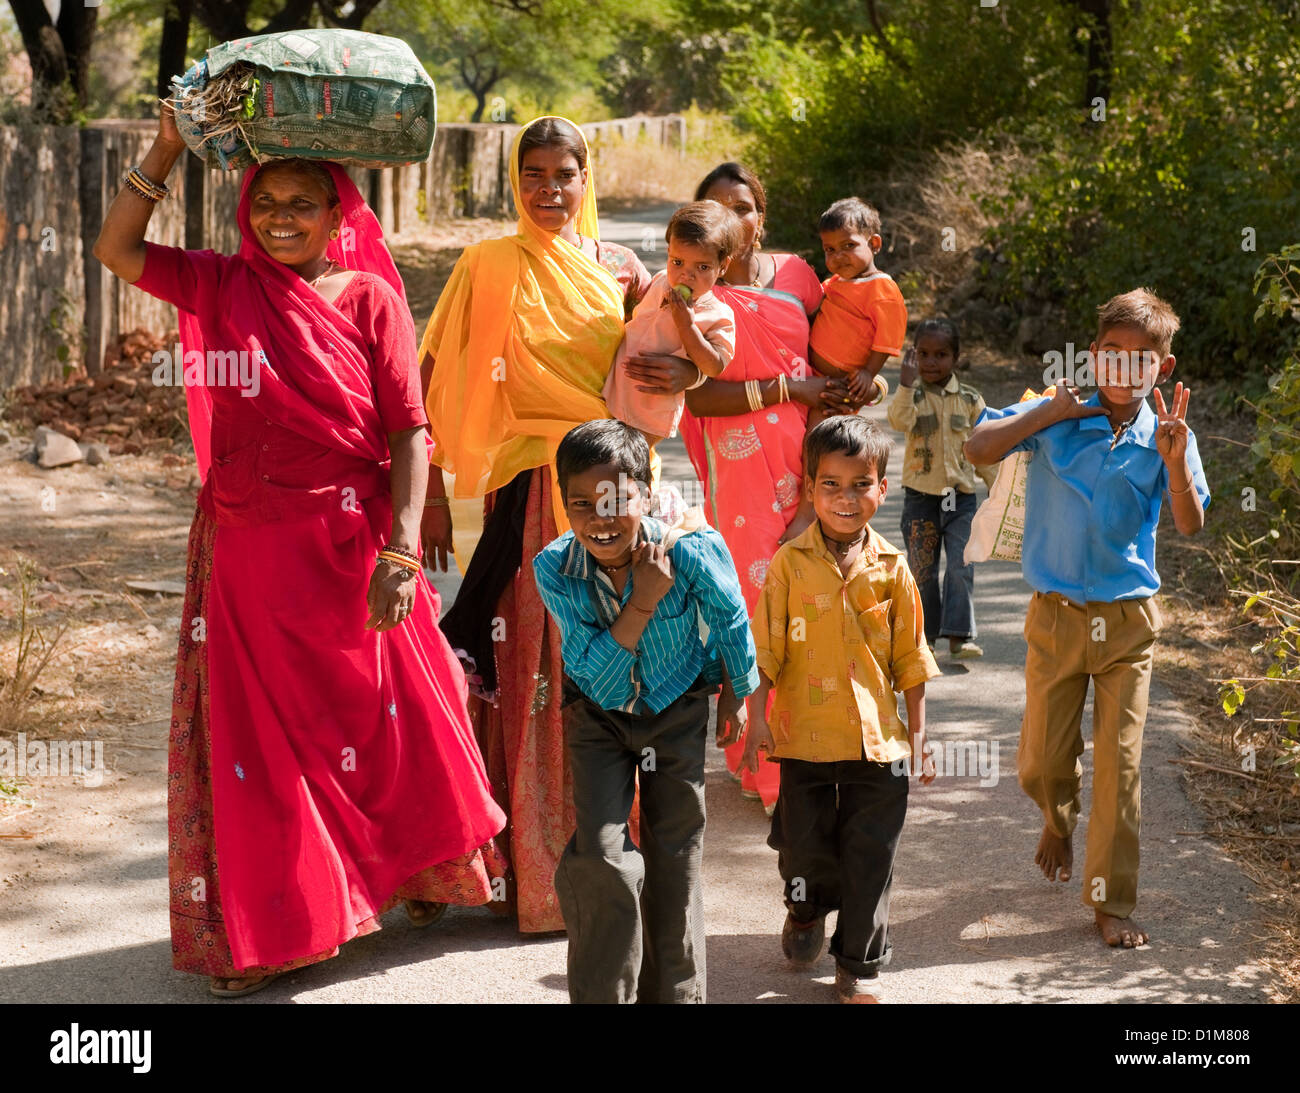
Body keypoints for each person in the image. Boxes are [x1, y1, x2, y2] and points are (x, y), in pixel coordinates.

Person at [92, 105, 506, 997]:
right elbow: (117, 250)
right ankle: (280, 925)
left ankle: (420, 867)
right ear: (246, 208)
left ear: (336, 214)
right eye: (266, 200)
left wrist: (402, 552)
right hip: (246, 549)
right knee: (264, 744)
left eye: (303, 204)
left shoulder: (370, 299)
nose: (282, 217)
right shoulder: (221, 284)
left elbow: (409, 432)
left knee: (383, 717)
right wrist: (166, 146)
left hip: (351, 545)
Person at [419, 117, 652, 933]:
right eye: (534, 174)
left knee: (610, 662)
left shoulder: (621, 269)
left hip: (606, 494)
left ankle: (609, 858)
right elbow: (431, 373)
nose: (549, 190)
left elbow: (669, 365)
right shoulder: (487, 265)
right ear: (514, 180)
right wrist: (430, 491)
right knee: (530, 665)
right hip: (523, 500)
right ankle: (529, 872)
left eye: (565, 174)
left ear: (590, 178)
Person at [964, 287, 1209, 949]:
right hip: (1056, 618)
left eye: (1142, 357)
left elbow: (1188, 521)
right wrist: (1041, 414)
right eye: (1112, 352)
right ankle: (1057, 815)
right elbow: (979, 446)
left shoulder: (1167, 436)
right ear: (1092, 354)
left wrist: (1175, 460)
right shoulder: (1059, 413)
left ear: (1164, 366)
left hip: (1128, 625)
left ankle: (1108, 899)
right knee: (1043, 763)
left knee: (1121, 767)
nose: (1125, 367)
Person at [627, 161, 863, 813]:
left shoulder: (798, 277)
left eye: (746, 205)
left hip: (807, 458)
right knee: (755, 604)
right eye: (718, 206)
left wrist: (826, 461)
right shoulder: (690, 291)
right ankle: (763, 765)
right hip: (736, 471)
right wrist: (789, 388)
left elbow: (832, 365)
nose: (736, 218)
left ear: (761, 212)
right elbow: (701, 399)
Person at [532, 420, 757, 1003]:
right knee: (603, 857)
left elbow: (731, 613)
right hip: (597, 720)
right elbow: (600, 676)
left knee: (675, 855)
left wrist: (738, 689)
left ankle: (678, 995)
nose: (599, 519)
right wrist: (645, 599)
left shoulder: (689, 549)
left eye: (614, 499)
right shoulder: (554, 568)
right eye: (581, 503)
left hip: (675, 709)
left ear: (647, 492)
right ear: (564, 503)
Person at [743, 415, 939, 1004]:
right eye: (831, 484)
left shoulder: (893, 569)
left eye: (861, 484)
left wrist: (922, 736)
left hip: (880, 746)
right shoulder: (787, 566)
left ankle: (858, 967)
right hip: (803, 738)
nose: (846, 498)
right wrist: (755, 721)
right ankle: (804, 912)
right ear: (809, 489)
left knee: (870, 856)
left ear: (883, 489)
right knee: (804, 848)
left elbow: (912, 659)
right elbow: (766, 653)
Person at [886, 317, 997, 657]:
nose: (931, 362)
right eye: (923, 354)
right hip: (922, 499)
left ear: (955, 357)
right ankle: (926, 640)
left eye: (941, 354)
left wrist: (997, 492)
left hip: (957, 498)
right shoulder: (912, 396)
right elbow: (898, 421)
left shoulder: (971, 399)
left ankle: (959, 637)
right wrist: (904, 385)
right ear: (913, 356)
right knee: (922, 569)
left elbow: (984, 450)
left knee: (963, 563)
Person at [603, 201, 740, 449]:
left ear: (723, 266)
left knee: (628, 468)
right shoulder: (660, 282)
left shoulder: (718, 315)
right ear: (668, 252)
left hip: (651, 409)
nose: (686, 275)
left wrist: (687, 327)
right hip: (614, 391)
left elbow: (714, 365)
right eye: (678, 262)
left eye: (702, 267)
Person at [806, 197, 905, 424]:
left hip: (840, 387)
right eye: (829, 249)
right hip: (809, 375)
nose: (838, 256)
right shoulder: (834, 283)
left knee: (819, 435)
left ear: (874, 244)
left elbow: (887, 337)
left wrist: (869, 373)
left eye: (848, 246)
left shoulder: (883, 288)